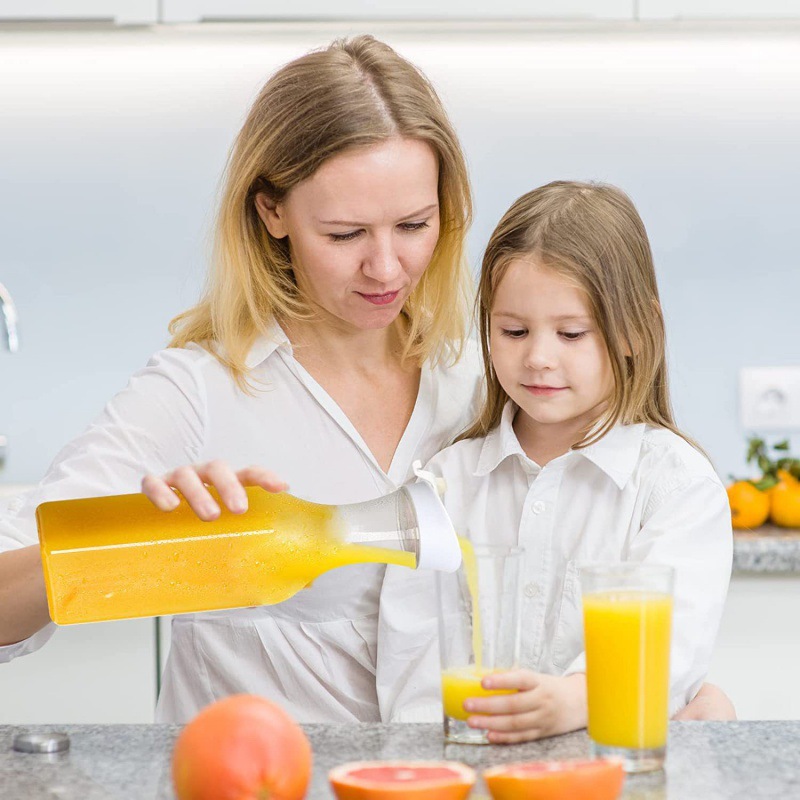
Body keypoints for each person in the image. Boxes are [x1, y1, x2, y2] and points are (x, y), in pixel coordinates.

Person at [0, 37, 732, 726]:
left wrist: (673, 702)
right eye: (345, 235)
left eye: (413, 225)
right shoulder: (197, 394)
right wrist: (142, 543)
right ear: (272, 212)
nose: (386, 269)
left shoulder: (494, 382)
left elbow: (621, 598)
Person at [395, 181, 734, 742]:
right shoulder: (445, 485)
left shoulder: (675, 486)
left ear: (633, 330)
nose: (538, 357)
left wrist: (577, 699)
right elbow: (412, 670)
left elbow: (672, 649)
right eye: (513, 331)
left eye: (571, 333)